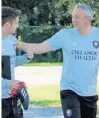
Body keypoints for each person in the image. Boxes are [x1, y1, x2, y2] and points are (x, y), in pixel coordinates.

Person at [21, 3, 99, 118]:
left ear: (87, 19)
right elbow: (41, 47)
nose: (73, 20)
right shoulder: (65, 35)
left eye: (77, 16)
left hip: (90, 92)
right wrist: (19, 44)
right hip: (69, 90)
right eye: (72, 16)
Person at [2, 7, 33, 118]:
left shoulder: (12, 40)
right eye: (16, 23)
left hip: (12, 96)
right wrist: (8, 83)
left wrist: (26, 58)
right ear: (7, 25)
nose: (18, 26)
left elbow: (12, 62)